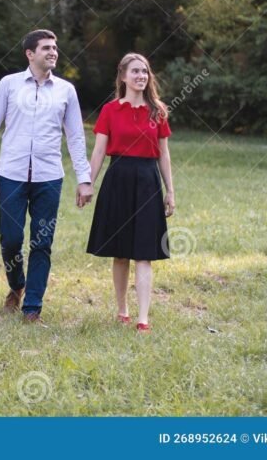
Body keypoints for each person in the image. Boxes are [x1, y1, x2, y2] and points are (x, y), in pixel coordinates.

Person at [0, 29, 94, 325]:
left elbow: (76, 138)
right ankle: (16, 285)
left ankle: (32, 308)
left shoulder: (66, 91)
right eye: (46, 48)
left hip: (49, 177)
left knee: (42, 243)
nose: (53, 52)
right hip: (12, 175)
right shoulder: (9, 85)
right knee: (11, 240)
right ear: (30, 53)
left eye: (55, 47)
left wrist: (84, 179)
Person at [84, 52, 175, 333]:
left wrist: (170, 190)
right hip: (118, 179)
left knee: (144, 253)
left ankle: (143, 318)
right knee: (120, 253)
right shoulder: (110, 110)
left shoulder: (157, 110)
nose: (141, 76)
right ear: (123, 76)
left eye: (145, 71)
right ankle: (122, 309)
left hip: (147, 180)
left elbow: (163, 154)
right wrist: (88, 182)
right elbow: (99, 151)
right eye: (135, 71)